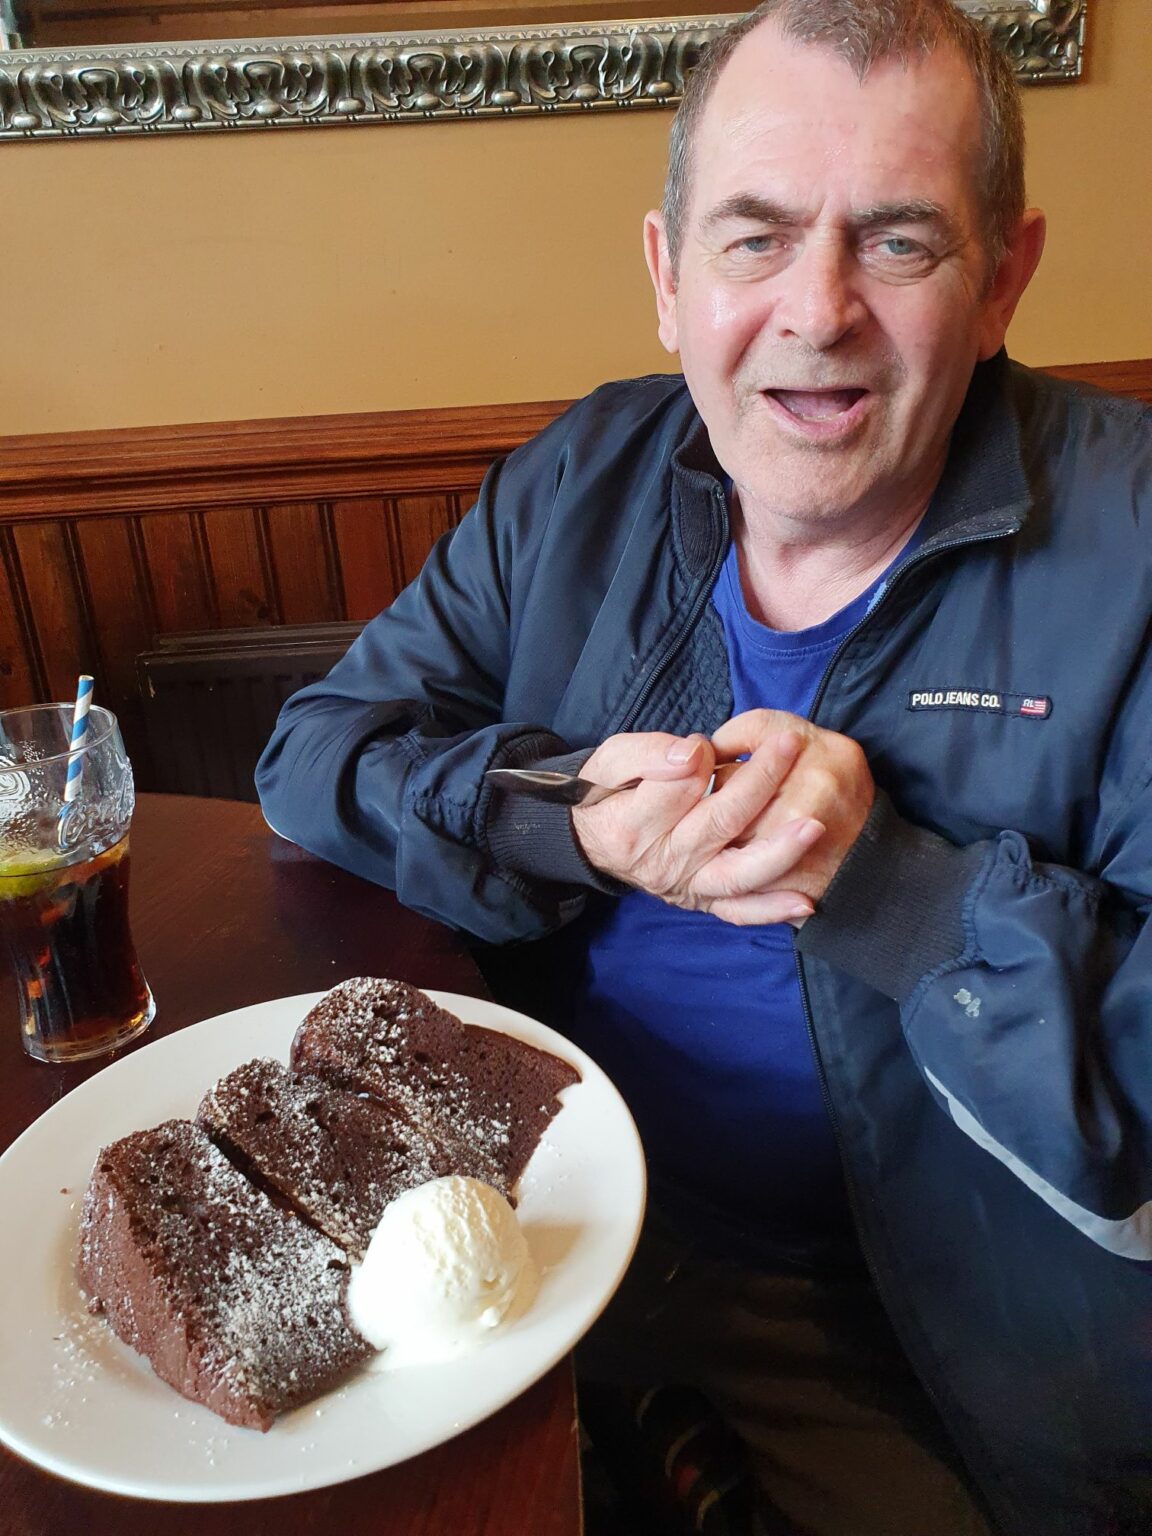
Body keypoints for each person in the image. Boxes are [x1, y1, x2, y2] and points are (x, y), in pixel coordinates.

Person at [256, 1, 1152, 1531]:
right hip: (526, 1217)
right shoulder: (582, 478)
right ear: (669, 277)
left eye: (898, 243)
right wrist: (567, 821)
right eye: (755, 238)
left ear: (1004, 280)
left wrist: (897, 894)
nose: (818, 309)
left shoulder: (1133, 548)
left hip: (924, 1334)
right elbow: (316, 755)